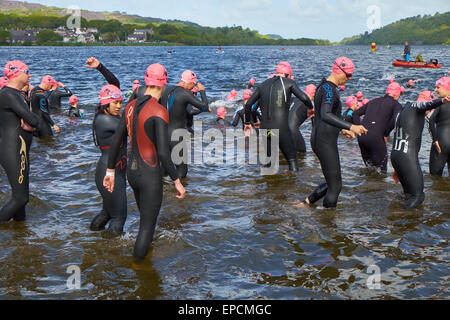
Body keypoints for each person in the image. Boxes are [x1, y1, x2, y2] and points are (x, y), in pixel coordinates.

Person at [103, 63, 186, 259]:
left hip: (132, 172)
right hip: (150, 174)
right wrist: (177, 180)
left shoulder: (130, 106)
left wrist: (110, 171)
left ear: (146, 81)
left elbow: (117, 140)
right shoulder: (159, 111)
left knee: (143, 221)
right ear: (164, 84)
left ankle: (142, 258)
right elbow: (164, 153)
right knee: (147, 228)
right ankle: (139, 270)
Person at [293, 57, 367, 208]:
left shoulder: (324, 87)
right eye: (348, 75)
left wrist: (342, 128)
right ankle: (328, 223)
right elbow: (326, 114)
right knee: (335, 186)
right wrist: (351, 126)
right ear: (339, 70)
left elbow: (325, 115)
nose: (349, 79)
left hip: (320, 138)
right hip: (324, 142)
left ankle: (306, 203)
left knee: (332, 181)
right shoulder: (329, 90)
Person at [243, 61, 314, 171]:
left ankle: (268, 186)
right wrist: (310, 108)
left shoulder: (263, 85)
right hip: (281, 129)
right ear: (287, 75)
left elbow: (248, 105)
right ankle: (295, 186)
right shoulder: (289, 83)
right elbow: (305, 98)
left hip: (266, 130)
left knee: (268, 164)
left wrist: (247, 123)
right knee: (292, 161)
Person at [85, 56, 128, 233]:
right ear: (105, 104)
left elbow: (114, 83)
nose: (119, 106)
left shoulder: (111, 114)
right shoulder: (105, 121)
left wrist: (100, 67)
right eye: (115, 103)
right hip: (109, 173)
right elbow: (130, 126)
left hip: (116, 170)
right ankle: (113, 256)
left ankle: (93, 238)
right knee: (119, 216)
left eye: (120, 102)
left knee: (107, 212)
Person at [391, 86, 450, 208]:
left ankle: (399, 220)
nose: (429, 113)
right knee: (418, 196)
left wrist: (398, 167)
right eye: (430, 110)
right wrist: (442, 101)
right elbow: (424, 105)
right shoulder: (416, 107)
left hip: (396, 156)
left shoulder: (404, 108)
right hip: (407, 157)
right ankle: (400, 215)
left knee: (408, 193)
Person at [0, 60, 40, 222]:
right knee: (21, 198)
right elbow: (35, 120)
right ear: (18, 74)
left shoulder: (14, 94)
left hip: (17, 149)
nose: (29, 75)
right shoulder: (9, 94)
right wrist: (31, 122)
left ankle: (19, 236)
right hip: (13, 149)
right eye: (27, 71)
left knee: (20, 202)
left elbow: (31, 121)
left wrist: (30, 122)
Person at [159, 69, 210, 179]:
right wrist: (202, 91)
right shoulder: (184, 93)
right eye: (193, 84)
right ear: (189, 82)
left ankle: (162, 193)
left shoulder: (166, 90)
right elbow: (204, 106)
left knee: (164, 169)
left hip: (162, 134)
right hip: (176, 136)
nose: (193, 87)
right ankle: (178, 193)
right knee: (182, 171)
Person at [352, 82, 403, 174]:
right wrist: (385, 133)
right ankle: (379, 188)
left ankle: (368, 186)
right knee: (381, 172)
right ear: (397, 94)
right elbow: (397, 119)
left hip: (362, 136)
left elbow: (355, 114)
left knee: (369, 168)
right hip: (376, 137)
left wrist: (358, 128)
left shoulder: (373, 101)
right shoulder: (396, 104)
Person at [429, 77, 450, 176]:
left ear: (447, 89)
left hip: (441, 142)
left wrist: (435, 140)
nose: (435, 90)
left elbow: (430, 120)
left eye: (438, 87)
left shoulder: (440, 103)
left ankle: (437, 191)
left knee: (435, 176)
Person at [288, 84, 316, 154]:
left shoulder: (293, 99)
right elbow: (315, 128)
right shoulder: (310, 107)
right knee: (302, 154)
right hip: (292, 131)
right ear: (314, 95)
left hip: (281, 130)